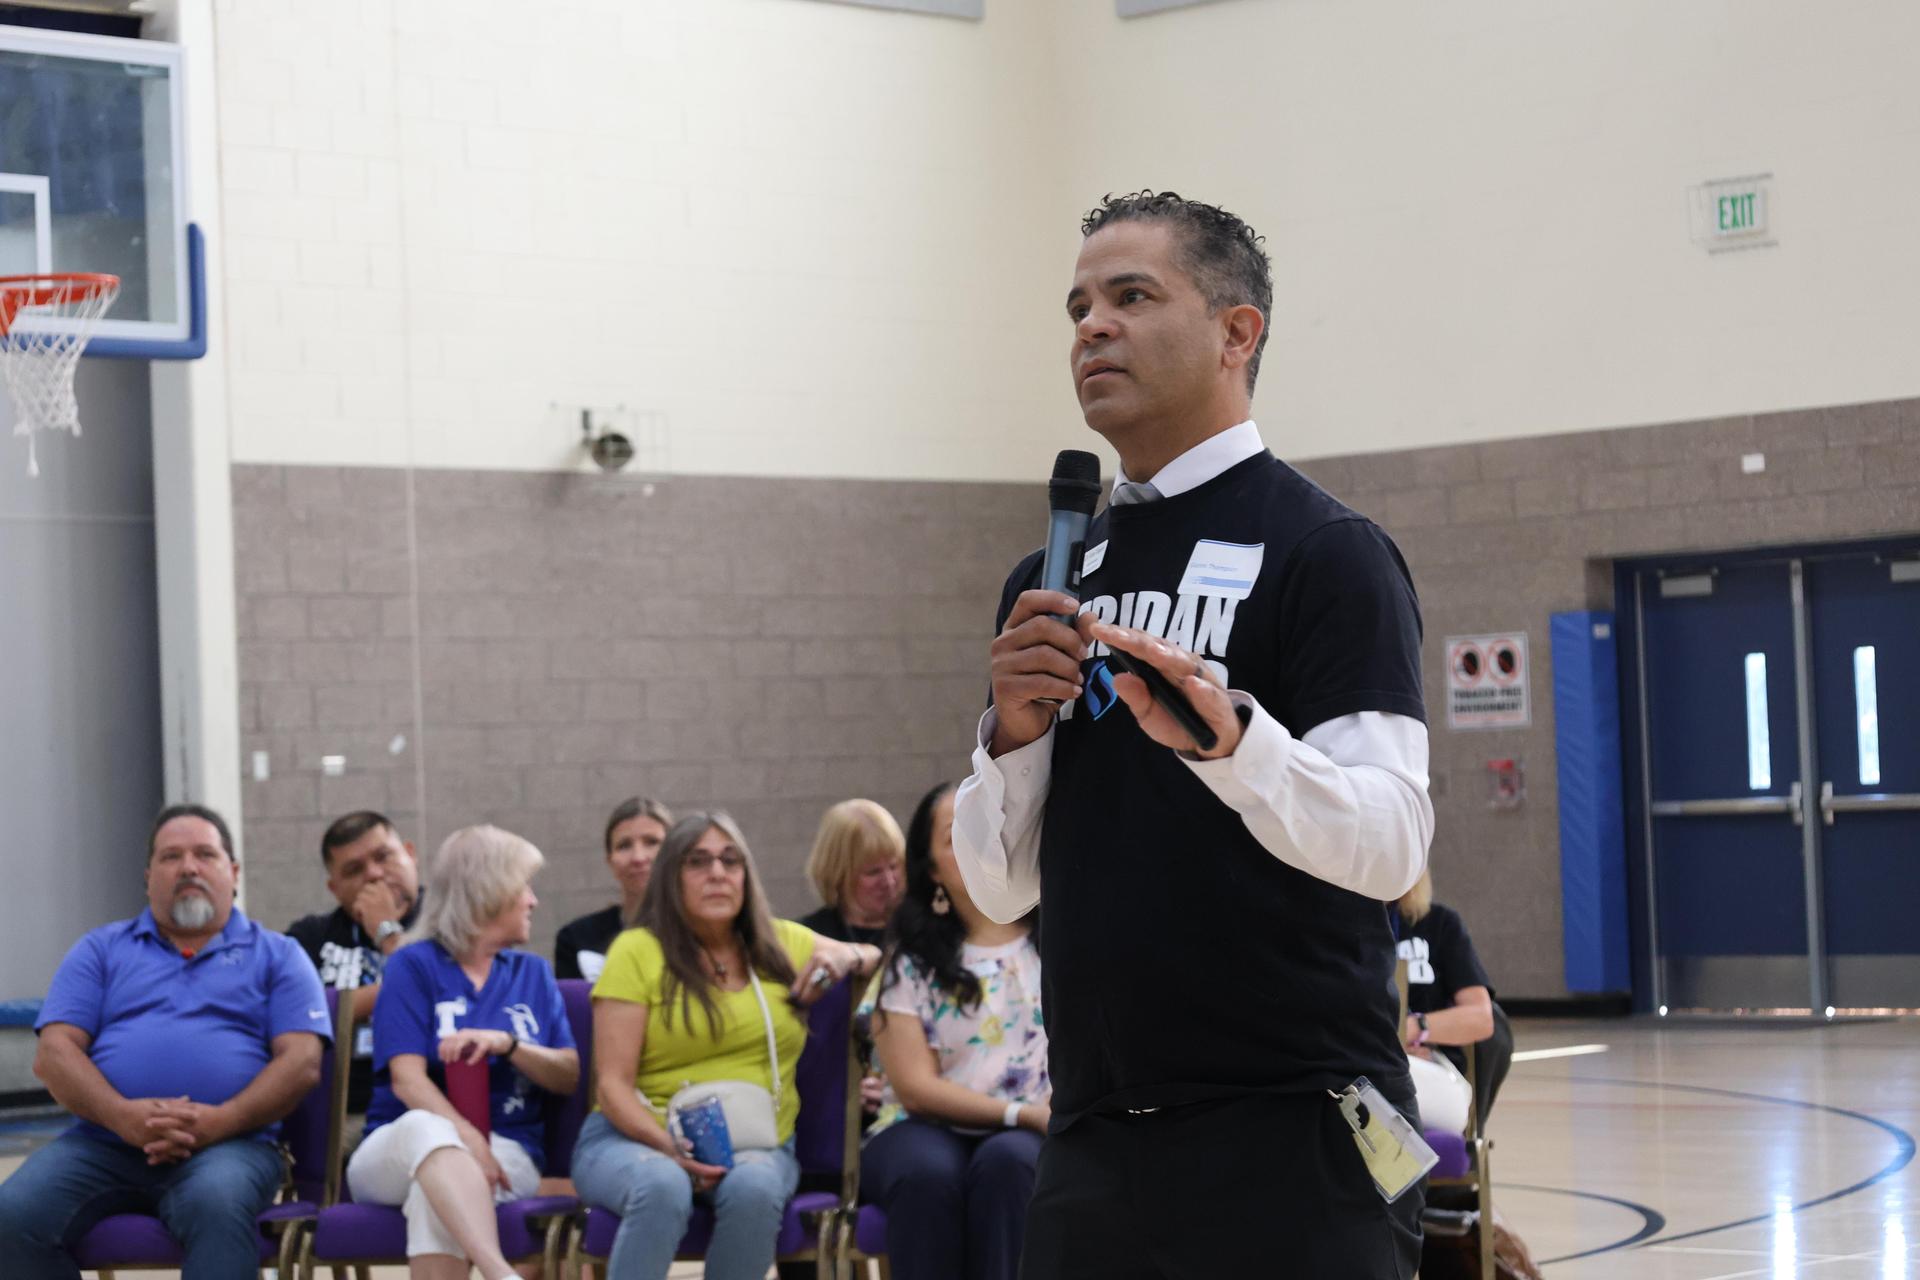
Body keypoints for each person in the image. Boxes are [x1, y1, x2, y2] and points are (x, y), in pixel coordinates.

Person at [952, 191, 1434, 1279]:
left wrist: (1235, 744)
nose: (1092, 325)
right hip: (1095, 1136)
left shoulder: (1329, 551)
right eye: (1078, 306)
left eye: (1132, 296)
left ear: (1236, 331)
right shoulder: (1050, 577)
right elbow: (999, 887)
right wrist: (1014, 735)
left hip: (1299, 1130)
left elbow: (1393, 841)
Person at [0, 804, 330, 1278]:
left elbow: (302, 1062)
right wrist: (122, 1116)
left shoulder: (280, 955)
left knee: (217, 1205)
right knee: (11, 1216)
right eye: (171, 856)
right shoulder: (100, 950)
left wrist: (221, 1120)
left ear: (233, 873)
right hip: (103, 1143)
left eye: (205, 854)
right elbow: (54, 1054)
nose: (189, 867)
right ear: (148, 876)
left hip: (232, 1146)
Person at [570, 812, 882, 1280]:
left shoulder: (782, 942)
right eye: (698, 861)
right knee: (663, 1185)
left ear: (746, 875)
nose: (717, 873)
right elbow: (612, 1087)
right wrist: (671, 1147)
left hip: (756, 1140)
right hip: (634, 1137)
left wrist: (846, 953)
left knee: (754, 1189)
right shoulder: (636, 951)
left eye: (730, 860)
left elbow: (879, 957)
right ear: (670, 876)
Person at [347, 825, 580, 1280]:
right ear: (489, 891)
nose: (533, 901)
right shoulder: (412, 965)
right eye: (524, 887)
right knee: (426, 1129)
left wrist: (510, 1046)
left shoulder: (533, 974)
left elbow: (568, 1074)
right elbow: (407, 1082)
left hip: (509, 1153)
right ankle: (500, 1272)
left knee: (433, 1193)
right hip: (393, 1149)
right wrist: (471, 1141)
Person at [861, 782, 1048, 1280]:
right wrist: (1019, 1112)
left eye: (985, 829)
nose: (975, 844)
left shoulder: (1057, 942)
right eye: (955, 835)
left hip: (1035, 1130)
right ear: (932, 870)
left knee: (1011, 1163)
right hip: (919, 1126)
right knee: (927, 1173)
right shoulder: (911, 961)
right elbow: (916, 1089)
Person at [288, 810, 424, 1113]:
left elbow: (449, 997)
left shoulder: (451, 921)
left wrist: (387, 932)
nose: (374, 874)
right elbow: (294, 1015)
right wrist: (401, 992)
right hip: (343, 1111)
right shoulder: (310, 938)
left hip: (429, 1104)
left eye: (383, 856)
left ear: (410, 854)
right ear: (334, 888)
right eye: (353, 870)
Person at [1395, 870, 1512, 1128]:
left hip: (1428, 1067)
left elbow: (1481, 1018)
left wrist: (1412, 1029)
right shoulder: (1342, 929)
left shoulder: (1440, 923)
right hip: (1365, 1064)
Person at [555, 797, 673, 982]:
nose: (638, 857)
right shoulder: (577, 938)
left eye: (651, 842)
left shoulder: (700, 930)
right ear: (610, 861)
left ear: (674, 852)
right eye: (624, 845)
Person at [798, 798, 906, 946]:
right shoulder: (810, 940)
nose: (889, 881)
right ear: (838, 874)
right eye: (873, 872)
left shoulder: (923, 931)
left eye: (893, 866)